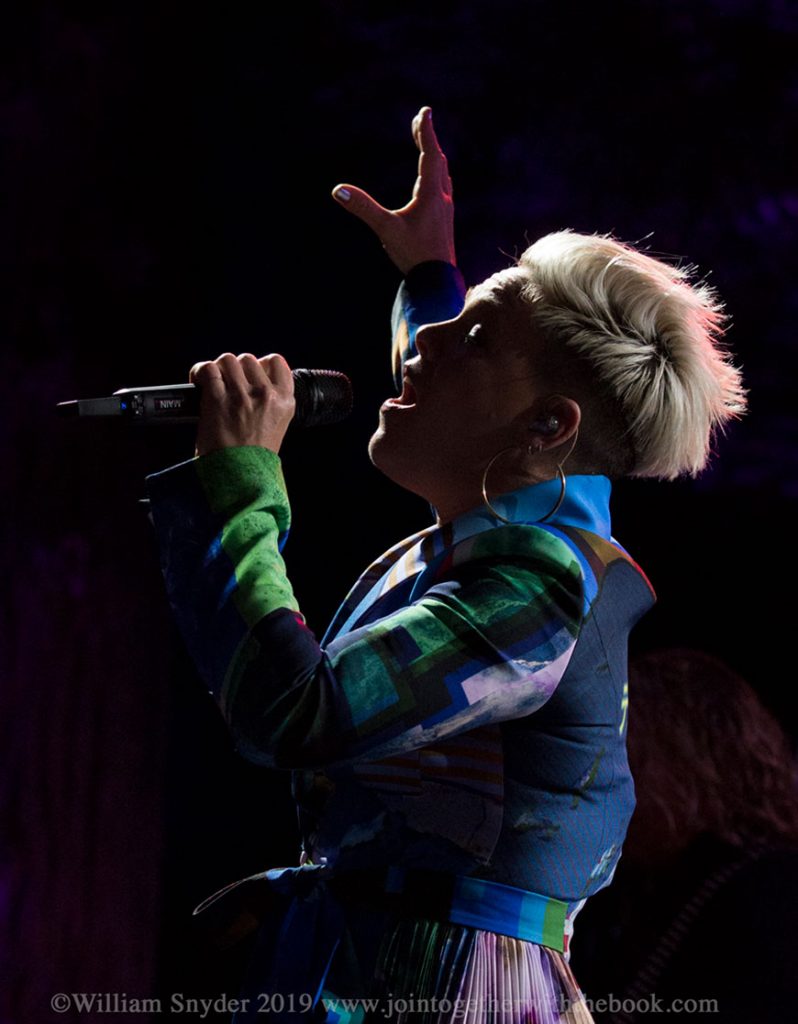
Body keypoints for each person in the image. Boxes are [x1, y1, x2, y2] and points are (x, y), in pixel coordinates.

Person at [145, 108, 746, 1023]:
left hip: (455, 991)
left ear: (549, 428)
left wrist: (239, 485)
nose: (425, 344)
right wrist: (431, 276)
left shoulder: (538, 592)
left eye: (473, 338)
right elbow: (459, 379)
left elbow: (300, 712)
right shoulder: (524, 514)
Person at [570, 649, 798, 1022]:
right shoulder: (639, 891)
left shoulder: (769, 892)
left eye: (628, 761)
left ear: (689, 763)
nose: (603, 784)